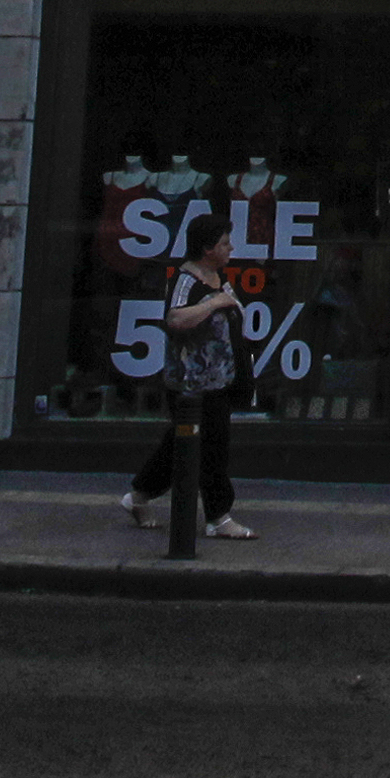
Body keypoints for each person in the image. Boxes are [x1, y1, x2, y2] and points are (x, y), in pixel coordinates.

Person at [123, 217, 254, 541]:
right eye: (224, 243)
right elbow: (176, 318)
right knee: (211, 450)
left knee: (179, 449)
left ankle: (138, 496)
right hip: (192, 386)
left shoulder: (217, 276)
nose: (230, 248)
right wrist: (214, 302)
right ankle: (219, 516)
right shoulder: (186, 280)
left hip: (219, 381)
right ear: (207, 248)